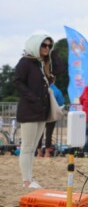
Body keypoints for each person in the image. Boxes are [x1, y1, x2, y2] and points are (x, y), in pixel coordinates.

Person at [14, 34, 55, 188]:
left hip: (41, 111)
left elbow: (43, 85)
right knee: (27, 147)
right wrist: (33, 98)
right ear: (35, 45)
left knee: (33, 147)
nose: (47, 48)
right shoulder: (25, 62)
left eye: (49, 46)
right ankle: (26, 180)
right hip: (29, 110)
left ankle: (29, 178)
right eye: (44, 45)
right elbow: (18, 82)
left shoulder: (41, 63)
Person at [36, 77, 65, 157]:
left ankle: (39, 152)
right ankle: (47, 153)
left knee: (39, 134)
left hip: (41, 115)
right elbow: (61, 102)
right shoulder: (57, 91)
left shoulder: (40, 90)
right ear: (54, 81)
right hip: (51, 115)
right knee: (49, 134)